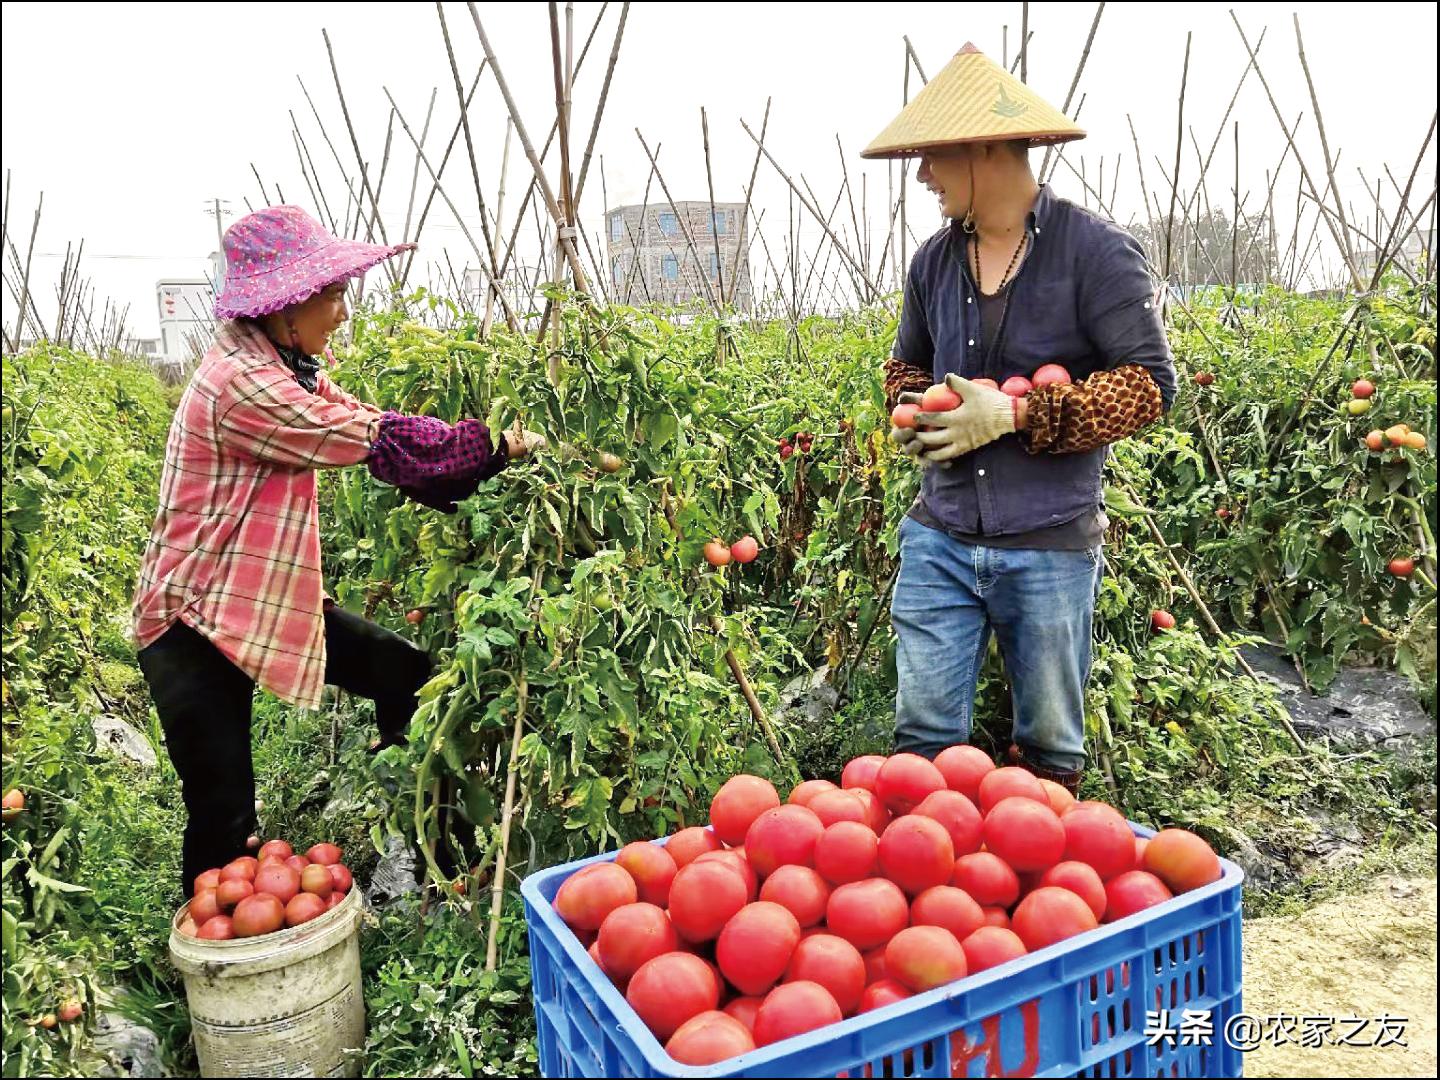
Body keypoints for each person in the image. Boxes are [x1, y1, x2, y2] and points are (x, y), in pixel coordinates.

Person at [131, 205, 545, 895]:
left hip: (258, 599)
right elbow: (373, 439)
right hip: (190, 618)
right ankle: (219, 975)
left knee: (405, 673)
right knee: (223, 812)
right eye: (334, 295)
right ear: (286, 306)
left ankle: (425, 845)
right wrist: (490, 447)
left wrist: (472, 471)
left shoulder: (284, 366)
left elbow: (363, 422)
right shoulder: (243, 386)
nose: (343, 313)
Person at [861, 45, 1178, 794]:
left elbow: (1149, 387)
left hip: (1049, 543)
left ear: (982, 149)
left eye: (933, 157)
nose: (923, 176)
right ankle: (934, 896)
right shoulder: (933, 263)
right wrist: (912, 410)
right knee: (923, 751)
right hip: (939, 536)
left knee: (1047, 756)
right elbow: (904, 366)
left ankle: (1042, 896)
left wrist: (1015, 412)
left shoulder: (1095, 253)